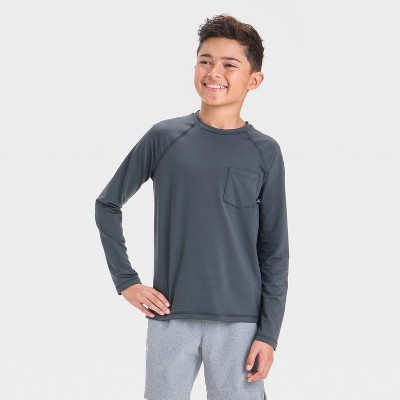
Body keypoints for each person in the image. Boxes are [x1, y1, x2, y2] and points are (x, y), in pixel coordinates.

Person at [95, 13, 290, 400]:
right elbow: (107, 204)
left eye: (229, 64)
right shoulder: (165, 137)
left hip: (240, 324)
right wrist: (126, 281)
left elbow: (274, 250)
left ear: (254, 80)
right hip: (171, 317)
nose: (214, 72)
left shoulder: (265, 152)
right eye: (205, 60)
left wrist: (268, 335)